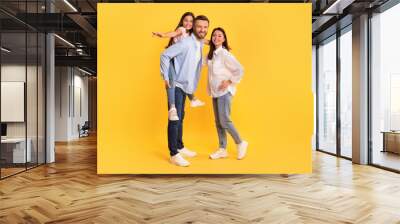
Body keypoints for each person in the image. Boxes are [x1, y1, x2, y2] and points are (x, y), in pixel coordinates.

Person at [160, 15, 210, 166]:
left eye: (205, 27)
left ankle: (180, 146)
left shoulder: (198, 43)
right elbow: (165, 55)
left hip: (185, 86)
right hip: (176, 84)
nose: (202, 29)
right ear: (193, 27)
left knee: (181, 117)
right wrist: (166, 76)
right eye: (199, 26)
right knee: (174, 119)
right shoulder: (186, 42)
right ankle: (174, 153)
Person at [153, 12, 205, 121]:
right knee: (171, 80)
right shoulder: (181, 30)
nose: (188, 23)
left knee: (184, 78)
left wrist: (217, 43)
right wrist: (163, 35)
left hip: (179, 61)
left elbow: (204, 40)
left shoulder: (192, 36)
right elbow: (173, 33)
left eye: (191, 21)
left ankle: (192, 98)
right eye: (186, 20)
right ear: (182, 21)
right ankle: (172, 108)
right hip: (172, 58)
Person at [206, 27, 248, 160]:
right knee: (218, 122)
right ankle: (222, 149)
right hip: (215, 92)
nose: (216, 38)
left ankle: (240, 142)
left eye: (219, 36)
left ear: (224, 39)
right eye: (214, 35)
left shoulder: (225, 54)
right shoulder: (212, 55)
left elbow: (240, 69)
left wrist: (229, 81)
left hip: (224, 92)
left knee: (225, 120)